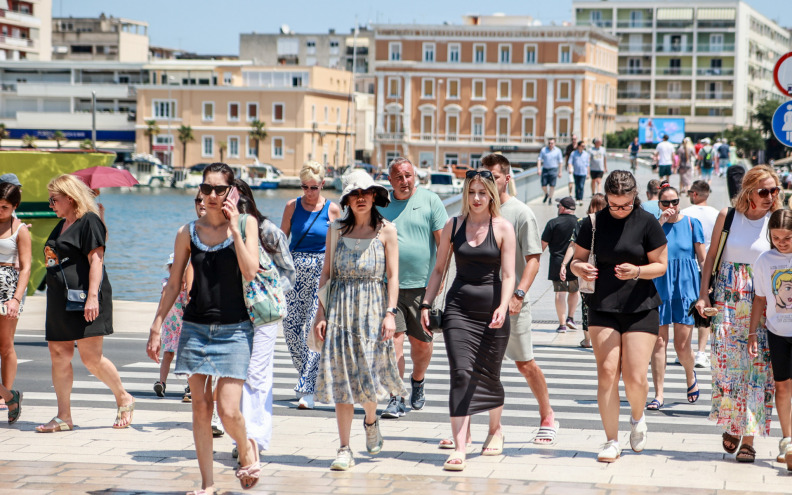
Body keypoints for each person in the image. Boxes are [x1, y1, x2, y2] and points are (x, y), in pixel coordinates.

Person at [146, 163, 262, 492]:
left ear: (231, 192)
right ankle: (208, 483)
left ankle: (246, 446)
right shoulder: (188, 232)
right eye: (206, 189)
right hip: (194, 327)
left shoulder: (248, 224)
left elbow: (251, 270)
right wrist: (157, 324)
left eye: (219, 190)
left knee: (227, 409)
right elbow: (172, 285)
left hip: (236, 328)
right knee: (199, 407)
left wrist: (236, 229)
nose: (211, 196)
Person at [421, 168, 516, 472]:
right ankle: (461, 446)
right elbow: (438, 269)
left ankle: (495, 429)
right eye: (471, 192)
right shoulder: (453, 225)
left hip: (492, 312)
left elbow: (509, 274)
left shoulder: (503, 227)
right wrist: (426, 303)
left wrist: (503, 306)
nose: (476, 198)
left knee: (488, 375)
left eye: (482, 192)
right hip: (458, 310)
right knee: (461, 374)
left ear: (491, 194)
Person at [570, 170, 668, 463]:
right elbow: (576, 259)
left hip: (641, 305)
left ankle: (637, 419)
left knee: (636, 377)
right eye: (614, 205)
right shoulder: (593, 223)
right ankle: (611, 440)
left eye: (625, 204)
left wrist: (637, 271)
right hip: (602, 304)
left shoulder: (648, 222)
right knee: (607, 373)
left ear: (635, 197)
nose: (620, 210)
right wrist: (580, 268)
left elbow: (661, 265)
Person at [313, 170, 404, 471]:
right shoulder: (336, 228)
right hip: (340, 309)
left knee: (367, 378)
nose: (360, 198)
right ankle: (343, 448)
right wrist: (321, 313)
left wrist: (390, 313)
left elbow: (393, 277)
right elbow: (327, 273)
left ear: (375, 196)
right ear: (348, 199)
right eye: (354, 194)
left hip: (373, 310)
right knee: (341, 381)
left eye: (365, 193)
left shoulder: (387, 231)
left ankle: (370, 420)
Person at [694, 165, 781, 463]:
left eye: (775, 191)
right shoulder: (727, 216)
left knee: (759, 370)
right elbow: (710, 260)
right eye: (764, 191)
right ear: (748, 191)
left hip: (763, 301)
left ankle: (749, 437)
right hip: (728, 299)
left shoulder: (777, 221)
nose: (770, 197)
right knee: (729, 368)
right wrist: (703, 293)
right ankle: (732, 423)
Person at [37, 175, 135, 433]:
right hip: (60, 301)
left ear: (70, 198)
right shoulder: (61, 225)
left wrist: (93, 297)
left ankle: (123, 396)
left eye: (54, 199)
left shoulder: (89, 221)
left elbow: (96, 260)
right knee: (59, 355)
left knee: (91, 358)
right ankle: (64, 416)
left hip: (85, 298)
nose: (51, 205)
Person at [482, 154, 559, 444]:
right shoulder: (476, 210)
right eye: (484, 175)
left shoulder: (520, 212)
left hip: (513, 301)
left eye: (494, 176)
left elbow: (534, 260)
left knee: (525, 363)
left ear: (507, 178)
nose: (488, 181)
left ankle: (547, 414)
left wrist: (519, 295)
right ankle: (490, 429)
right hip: (481, 301)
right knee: (483, 366)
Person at [378, 157, 447, 419]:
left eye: (408, 175)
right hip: (388, 288)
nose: (404, 181)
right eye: (399, 177)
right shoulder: (381, 206)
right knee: (393, 341)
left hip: (422, 287)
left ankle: (418, 381)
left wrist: (437, 282)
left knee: (422, 345)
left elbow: (443, 247)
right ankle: (397, 397)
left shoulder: (430, 201)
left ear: (414, 175)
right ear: (390, 180)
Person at [234, 181, 295, 457]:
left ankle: (252, 438)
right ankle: (242, 435)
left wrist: (267, 292)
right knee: (238, 375)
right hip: (233, 312)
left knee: (257, 374)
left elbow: (288, 271)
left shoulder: (268, 232)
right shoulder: (222, 230)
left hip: (264, 312)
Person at [280, 161, 341, 410]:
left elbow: (338, 247)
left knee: (313, 329)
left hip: (321, 273)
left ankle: (307, 389)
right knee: (291, 329)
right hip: (294, 273)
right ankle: (310, 377)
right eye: (304, 186)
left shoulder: (332, 210)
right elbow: (282, 241)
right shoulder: (292, 207)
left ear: (322, 184)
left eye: (313, 187)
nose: (309, 192)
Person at [648, 182, 705, 411]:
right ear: (659, 204)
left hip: (685, 288)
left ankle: (690, 375)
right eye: (665, 202)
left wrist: (705, 291)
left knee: (683, 346)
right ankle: (659, 394)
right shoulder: (653, 226)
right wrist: (660, 222)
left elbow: (702, 260)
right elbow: (646, 254)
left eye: (674, 201)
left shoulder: (692, 224)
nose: (671, 206)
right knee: (659, 342)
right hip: (659, 286)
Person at [750, 209, 792, 469]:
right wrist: (753, 332)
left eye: (787, 238)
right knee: (782, 387)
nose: (781, 242)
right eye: (776, 238)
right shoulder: (765, 260)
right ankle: (787, 440)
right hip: (777, 331)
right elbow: (760, 298)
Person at [680, 181, 720, 369]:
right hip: (709, 266)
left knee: (687, 309)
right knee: (705, 309)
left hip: (689, 266)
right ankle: (701, 352)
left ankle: (685, 350)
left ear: (694, 194)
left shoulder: (686, 213)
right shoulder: (716, 214)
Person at [561, 193, 608, 348]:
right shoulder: (611, 222)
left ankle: (588, 339)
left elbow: (573, 245)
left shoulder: (583, 222)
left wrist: (564, 263)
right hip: (606, 267)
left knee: (586, 302)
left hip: (586, 267)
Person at [0, 181, 30, 424]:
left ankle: (5, 394)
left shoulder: (21, 230)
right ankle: (9, 396)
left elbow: (27, 267)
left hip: (8, 289)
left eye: (4, 207)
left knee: (5, 346)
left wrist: (16, 299)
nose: (0, 211)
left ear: (15, 206)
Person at [542, 197, 580, 333]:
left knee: (560, 293)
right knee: (574, 290)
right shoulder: (579, 222)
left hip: (557, 262)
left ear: (563, 208)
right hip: (576, 262)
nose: (558, 208)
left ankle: (562, 324)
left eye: (559, 206)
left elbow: (542, 245)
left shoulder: (553, 223)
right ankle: (571, 317)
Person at [537, 137, 564, 204]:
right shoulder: (544, 150)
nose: (550, 144)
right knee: (543, 185)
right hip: (545, 169)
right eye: (549, 143)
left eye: (552, 143)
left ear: (554, 143)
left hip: (554, 169)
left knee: (552, 185)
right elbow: (539, 159)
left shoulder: (558, 151)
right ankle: (546, 194)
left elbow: (560, 162)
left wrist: (560, 172)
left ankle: (550, 198)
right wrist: (539, 169)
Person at [569, 141, 590, 205]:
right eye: (582, 146)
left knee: (581, 186)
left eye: (584, 146)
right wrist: (570, 169)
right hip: (576, 172)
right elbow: (570, 162)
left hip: (583, 173)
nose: (583, 147)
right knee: (577, 186)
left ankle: (581, 199)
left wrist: (588, 173)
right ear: (579, 146)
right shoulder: (573, 153)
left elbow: (587, 165)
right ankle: (577, 198)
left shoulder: (586, 154)